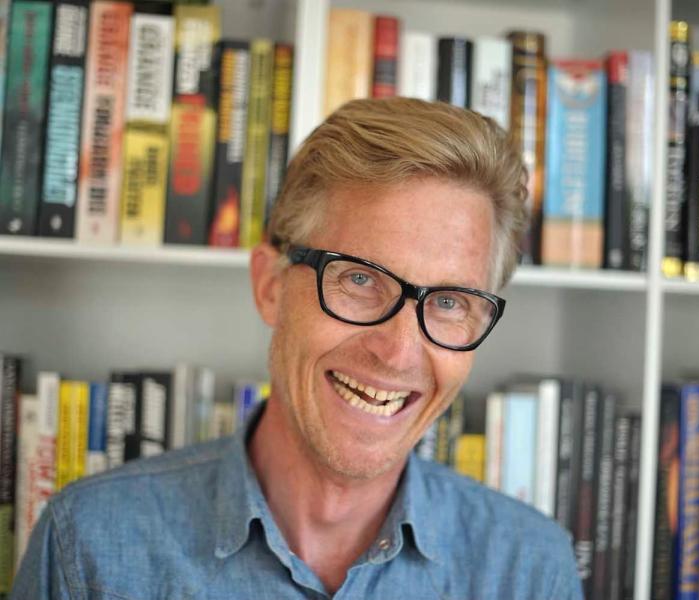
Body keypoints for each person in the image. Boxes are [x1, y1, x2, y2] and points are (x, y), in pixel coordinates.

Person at [12, 98, 582, 599]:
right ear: (270, 286)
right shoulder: (85, 547)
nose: (398, 351)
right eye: (359, 279)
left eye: (450, 302)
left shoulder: (531, 571)